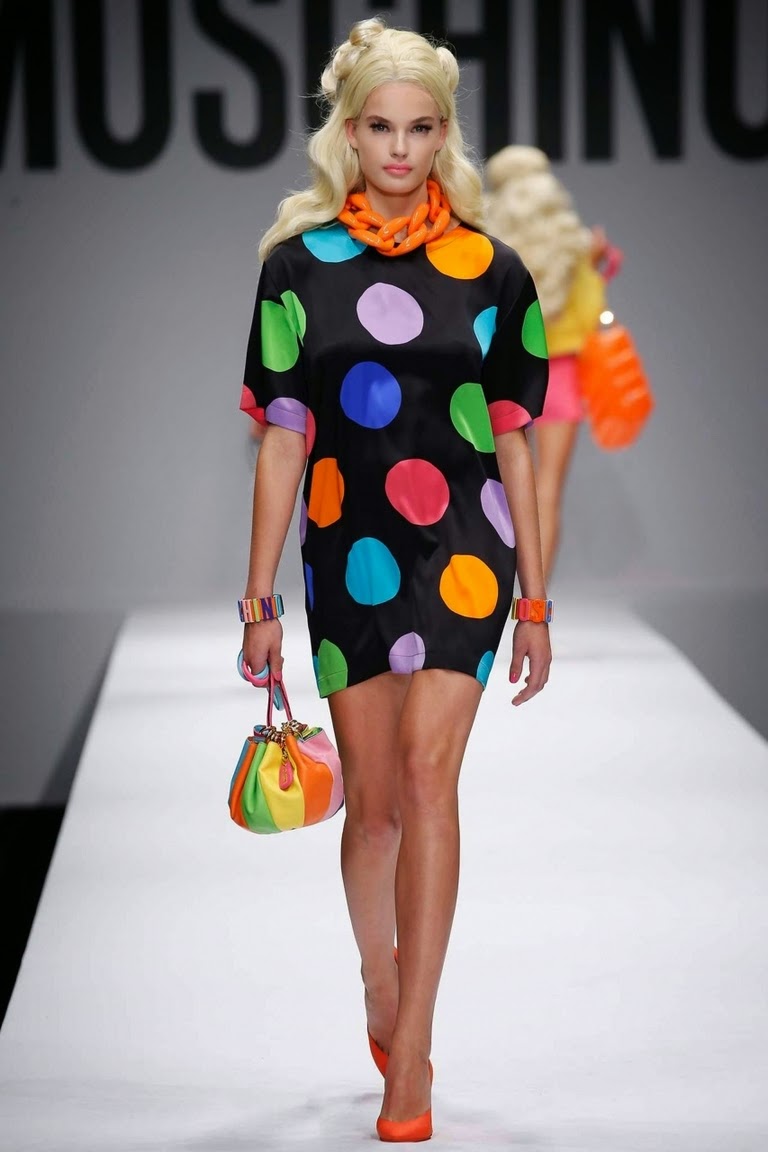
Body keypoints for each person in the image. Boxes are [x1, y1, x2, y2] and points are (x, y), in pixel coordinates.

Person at [238, 19, 552, 1143]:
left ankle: (411, 1047)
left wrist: (534, 598)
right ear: (349, 131)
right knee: (370, 812)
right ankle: (380, 977)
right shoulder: (296, 268)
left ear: (446, 133)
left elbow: (514, 436)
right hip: (348, 548)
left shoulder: (493, 270)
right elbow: (283, 436)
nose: (402, 149)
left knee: (428, 784)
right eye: (381, 127)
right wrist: (260, 600)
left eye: (422, 129)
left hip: (467, 547)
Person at [485, 145, 622, 582]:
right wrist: (595, 268)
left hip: (501, 374)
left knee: (493, 486)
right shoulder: (572, 245)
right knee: (546, 490)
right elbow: (590, 316)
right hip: (559, 376)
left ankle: (491, 592)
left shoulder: (485, 245)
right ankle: (532, 600)